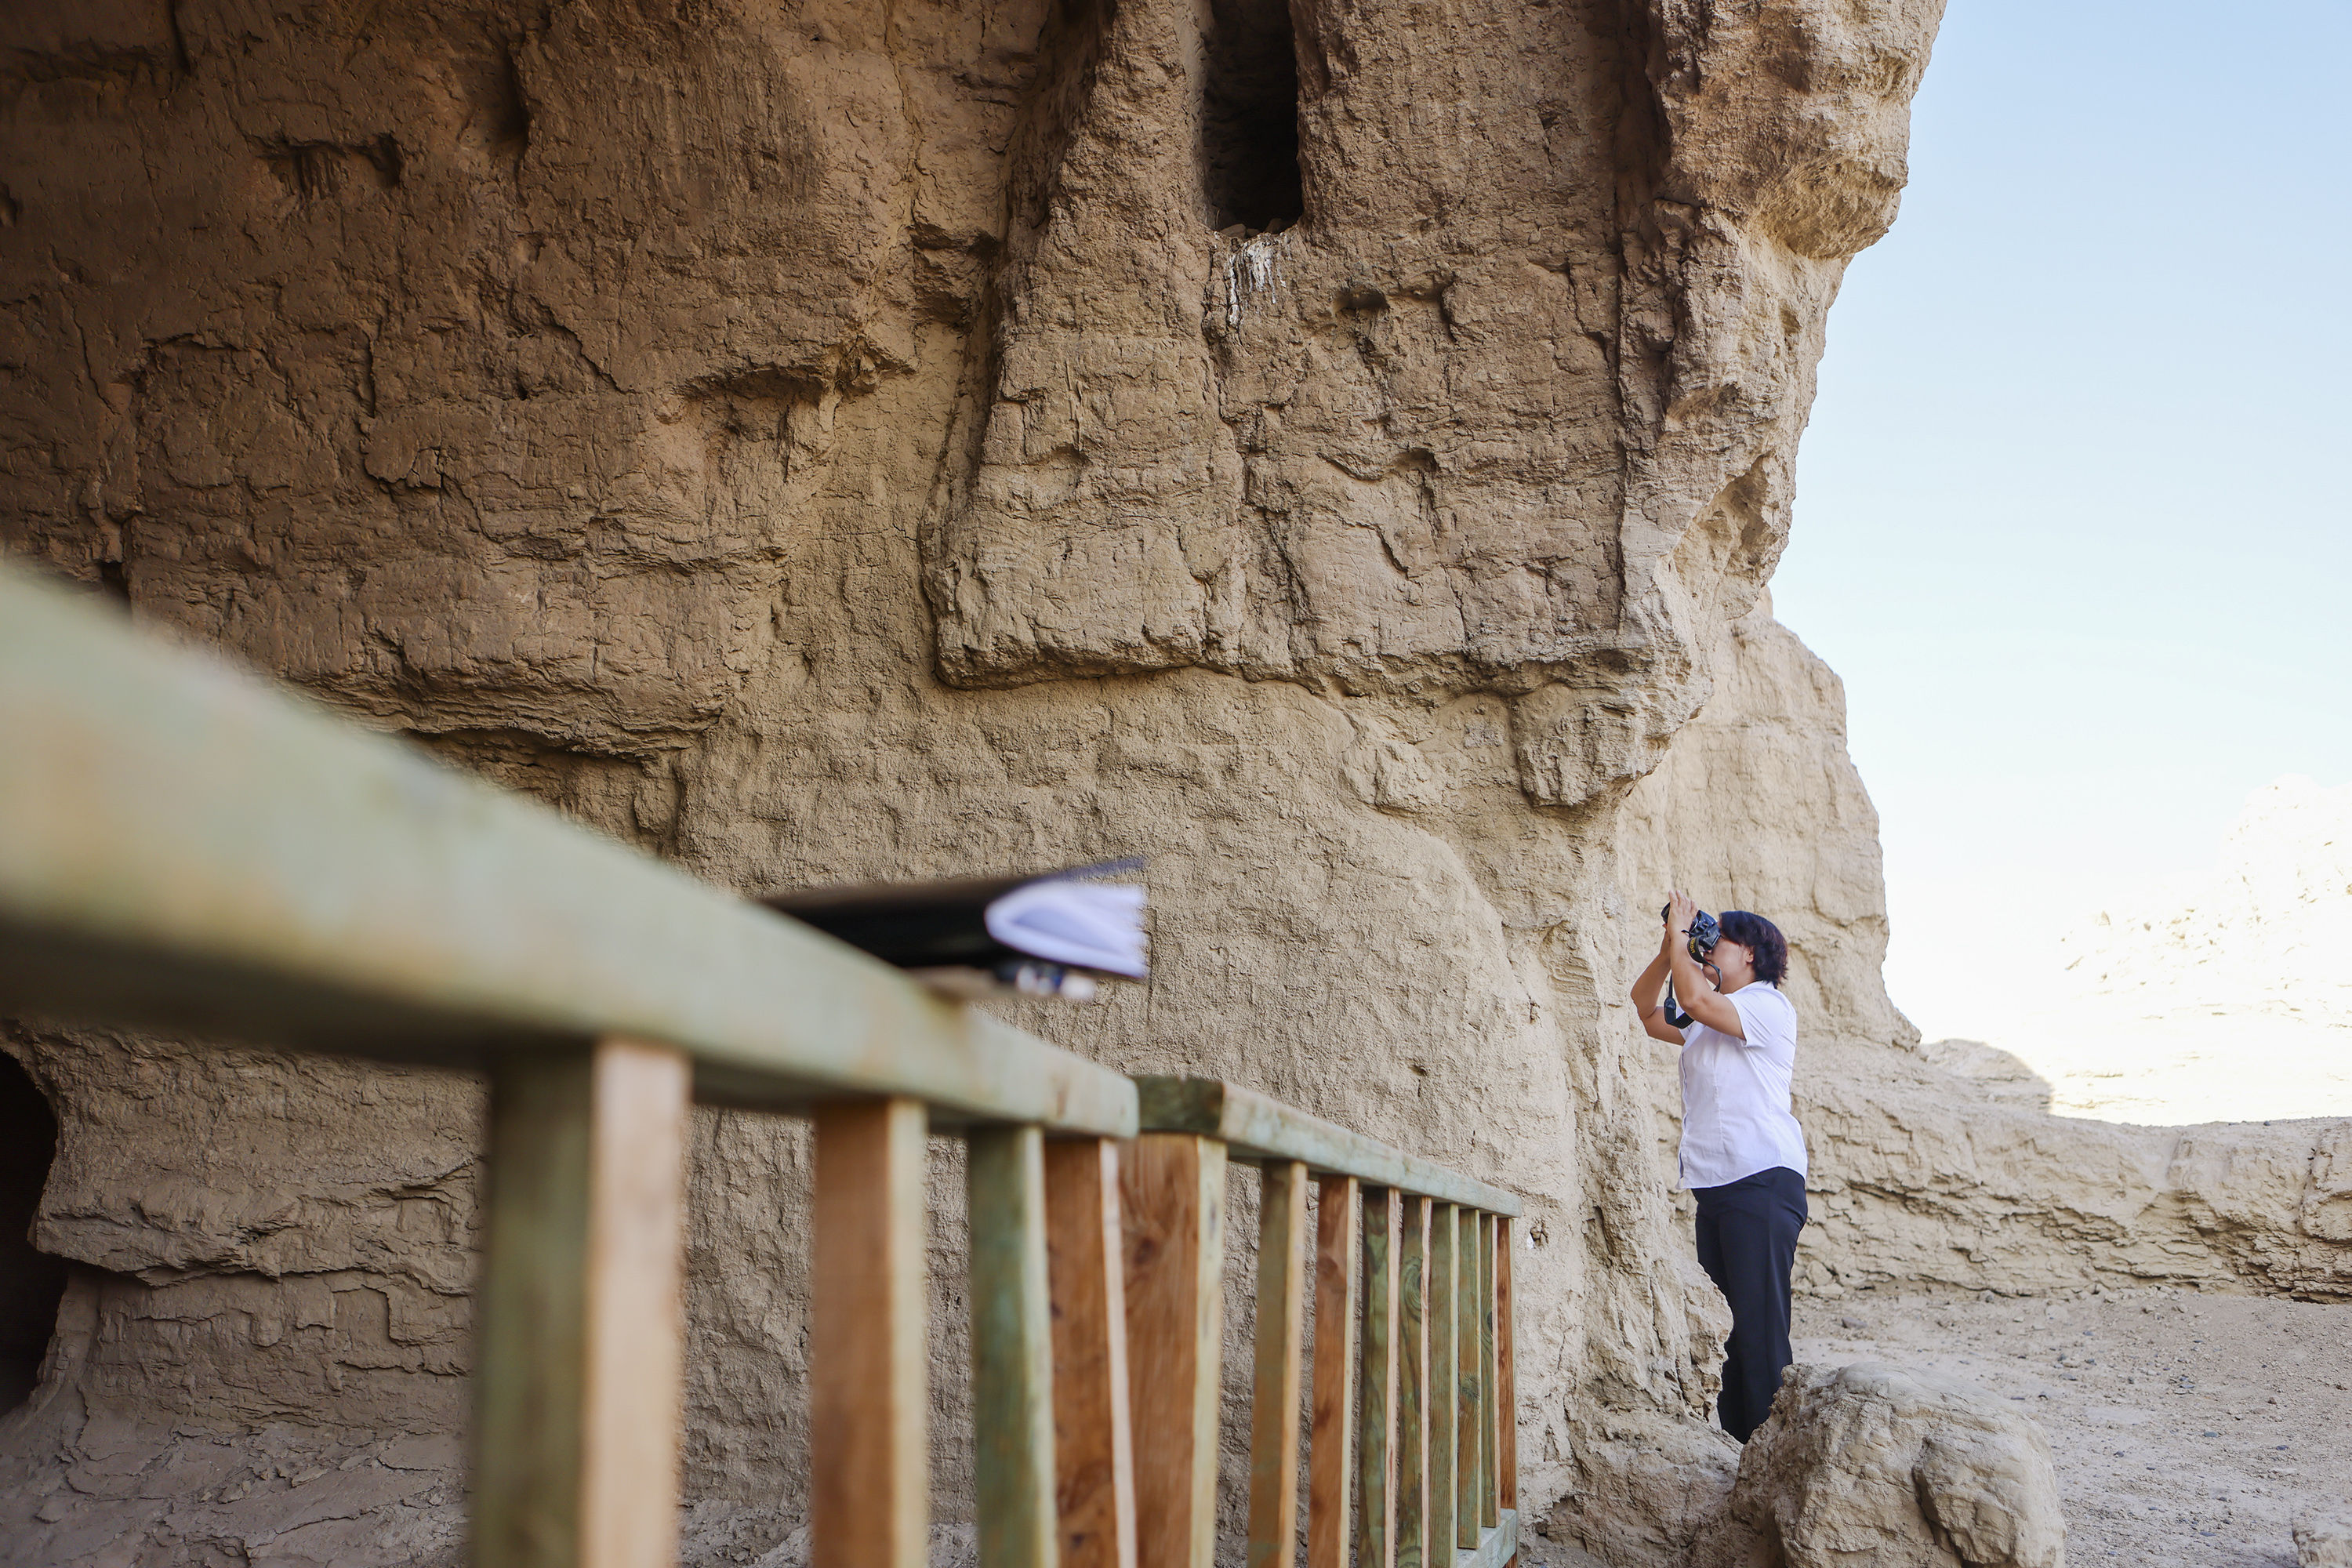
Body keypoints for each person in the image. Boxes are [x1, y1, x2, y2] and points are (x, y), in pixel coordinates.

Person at [1630, 891, 1806, 1442]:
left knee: (1759, 1328)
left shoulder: (1765, 1005)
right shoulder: (1708, 1013)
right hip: (1717, 1187)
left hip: (1761, 1180)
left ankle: (1773, 1448)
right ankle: (1739, 1450)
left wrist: (1685, 944)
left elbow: (1697, 1001)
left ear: (1749, 954)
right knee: (1730, 1330)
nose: (1708, 947)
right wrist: (1669, 948)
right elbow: (1644, 1008)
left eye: (1718, 939)